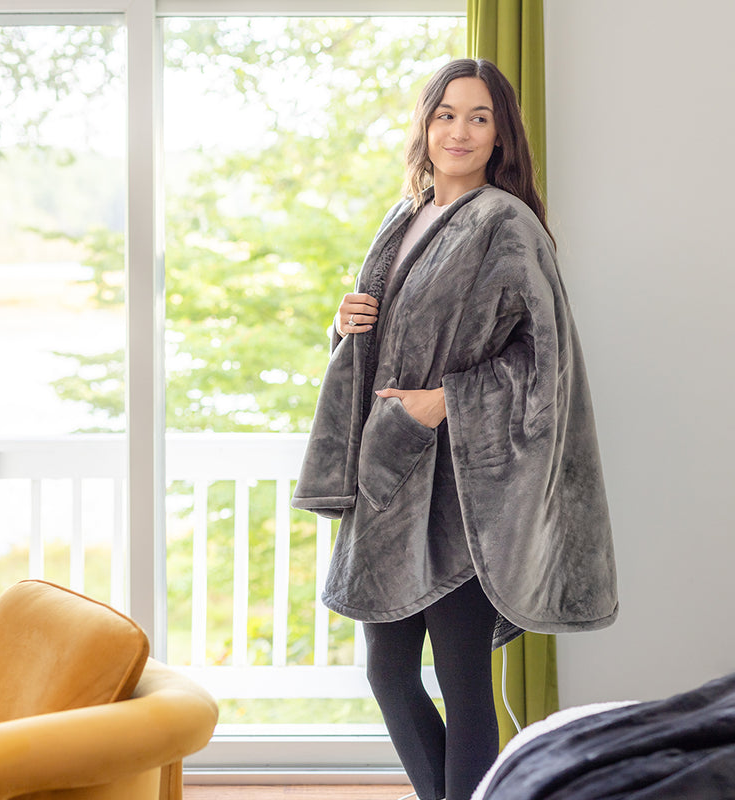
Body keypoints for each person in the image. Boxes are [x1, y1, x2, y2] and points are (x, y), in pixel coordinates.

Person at [292, 58, 618, 800]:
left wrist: (448, 400)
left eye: (478, 117)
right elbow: (386, 335)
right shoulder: (403, 218)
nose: (459, 131)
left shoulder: (508, 223)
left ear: (500, 135)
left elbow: (548, 361)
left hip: (465, 490)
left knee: (463, 679)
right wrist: (344, 326)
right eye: (446, 114)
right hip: (393, 475)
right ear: (426, 126)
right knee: (387, 672)